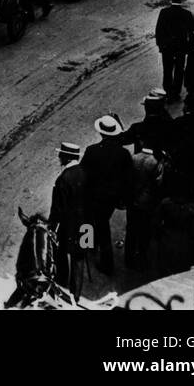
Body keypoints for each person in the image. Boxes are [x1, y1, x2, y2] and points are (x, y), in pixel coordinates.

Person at [80, 115, 132, 276]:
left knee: (88, 222)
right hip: (110, 198)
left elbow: (83, 174)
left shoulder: (91, 150)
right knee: (102, 224)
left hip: (92, 195)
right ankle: (101, 257)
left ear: (101, 134)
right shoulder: (123, 154)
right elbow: (127, 178)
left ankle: (90, 249)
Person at [48, 142, 87, 299]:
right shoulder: (87, 173)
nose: (59, 158)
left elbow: (58, 209)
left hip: (67, 227)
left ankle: (61, 285)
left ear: (66, 157)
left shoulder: (63, 178)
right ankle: (75, 295)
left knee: (61, 253)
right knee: (80, 257)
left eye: (61, 155)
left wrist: (52, 226)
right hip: (87, 226)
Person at [125, 146, 164, 271]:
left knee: (131, 230)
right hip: (147, 202)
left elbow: (127, 178)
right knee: (144, 231)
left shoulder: (133, 158)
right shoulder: (156, 162)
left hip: (132, 199)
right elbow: (159, 183)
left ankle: (128, 259)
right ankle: (142, 258)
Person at [154, 0, 194, 101]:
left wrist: (160, 45)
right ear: (182, 0)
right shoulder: (187, 14)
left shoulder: (164, 12)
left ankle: (168, 92)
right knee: (179, 70)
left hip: (167, 48)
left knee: (167, 70)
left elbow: (159, 31)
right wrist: (189, 48)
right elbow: (192, 33)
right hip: (181, 47)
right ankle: (176, 93)